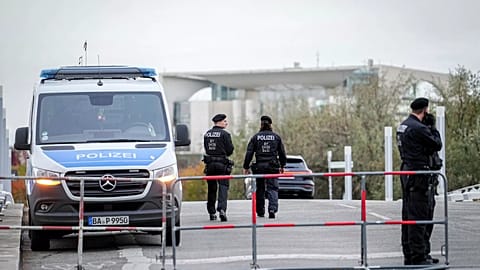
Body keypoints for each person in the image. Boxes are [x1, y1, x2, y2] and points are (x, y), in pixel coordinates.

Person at [396, 97, 443, 265]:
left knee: (409, 215)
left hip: (407, 172)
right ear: (425, 110)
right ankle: (419, 256)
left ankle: (411, 253)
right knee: (421, 215)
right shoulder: (420, 128)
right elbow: (437, 144)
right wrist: (432, 127)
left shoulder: (403, 125)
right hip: (420, 175)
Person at [242, 115, 287, 219]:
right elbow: (282, 153)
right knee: (273, 188)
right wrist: (282, 165)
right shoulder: (276, 137)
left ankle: (260, 211)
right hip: (272, 166)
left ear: (261, 125)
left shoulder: (255, 137)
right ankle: (272, 209)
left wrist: (246, 166)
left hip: (259, 167)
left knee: (260, 189)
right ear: (270, 125)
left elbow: (249, 153)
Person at [203, 114, 234, 222]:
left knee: (212, 189)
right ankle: (222, 210)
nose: (226, 123)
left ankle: (211, 212)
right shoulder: (225, 134)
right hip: (222, 164)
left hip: (210, 165)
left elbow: (206, 148)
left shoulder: (207, 134)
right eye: (225, 121)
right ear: (219, 122)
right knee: (223, 187)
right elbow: (230, 150)